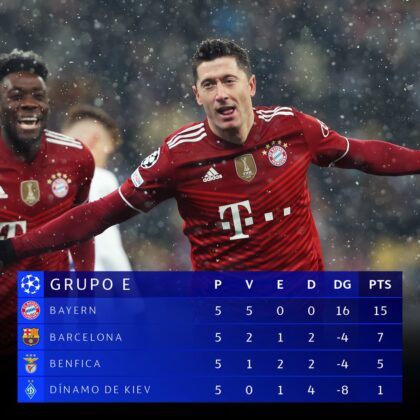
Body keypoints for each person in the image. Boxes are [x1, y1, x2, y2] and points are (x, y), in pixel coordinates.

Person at [1, 38, 420, 272]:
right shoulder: (178, 155)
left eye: (228, 80)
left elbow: (365, 154)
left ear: (250, 85)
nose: (221, 93)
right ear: (196, 95)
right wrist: (16, 248)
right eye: (209, 85)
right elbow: (100, 213)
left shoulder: (292, 128)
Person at [0, 50, 94, 362]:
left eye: (38, 96)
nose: (29, 103)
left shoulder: (76, 158)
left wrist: (85, 299)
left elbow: (82, 229)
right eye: (16, 95)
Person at [62, 104, 132, 271]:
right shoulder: (98, 177)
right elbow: (108, 251)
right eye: (107, 154)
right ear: (94, 140)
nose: (105, 163)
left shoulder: (29, 177)